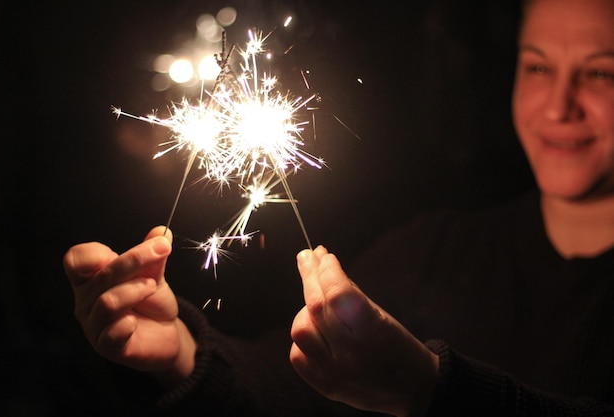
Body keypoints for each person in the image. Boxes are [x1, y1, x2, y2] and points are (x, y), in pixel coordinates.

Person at [63, 0, 614, 415]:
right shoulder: (434, 251)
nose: (560, 107)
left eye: (600, 73)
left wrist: (430, 390)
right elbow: (288, 390)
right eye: (538, 67)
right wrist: (180, 353)